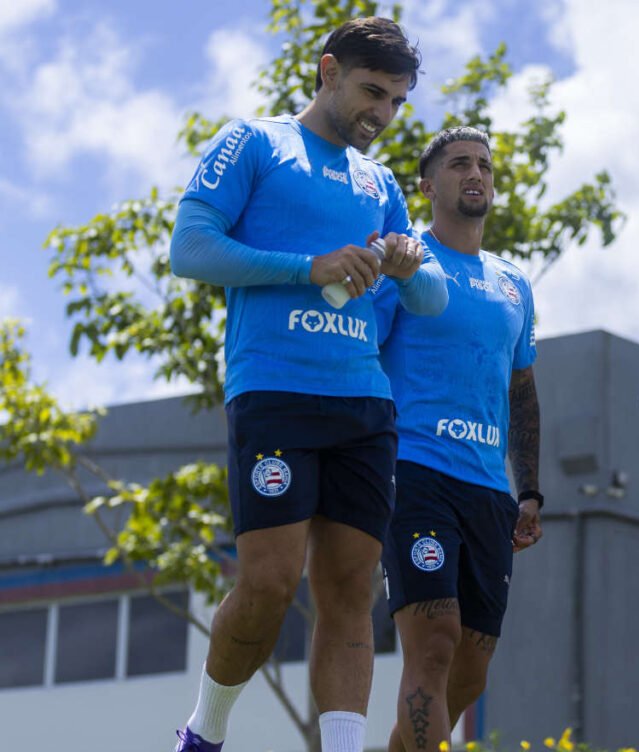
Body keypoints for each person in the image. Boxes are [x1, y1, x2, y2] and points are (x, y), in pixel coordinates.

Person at [168, 17, 448, 752]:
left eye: (395, 102)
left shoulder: (379, 180)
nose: (381, 115)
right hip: (276, 392)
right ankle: (205, 732)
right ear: (328, 71)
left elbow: (429, 304)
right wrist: (307, 267)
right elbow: (189, 248)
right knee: (267, 583)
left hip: (364, 404)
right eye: (371, 92)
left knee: (352, 591)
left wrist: (412, 266)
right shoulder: (255, 143)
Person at [372, 126, 542, 752]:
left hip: (488, 491)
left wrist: (530, 492)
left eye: (485, 167)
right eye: (460, 165)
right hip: (412, 471)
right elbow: (363, 352)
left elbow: (521, 391)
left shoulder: (513, 284)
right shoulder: (404, 256)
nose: (476, 175)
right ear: (427, 185)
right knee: (435, 639)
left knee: (469, 668)